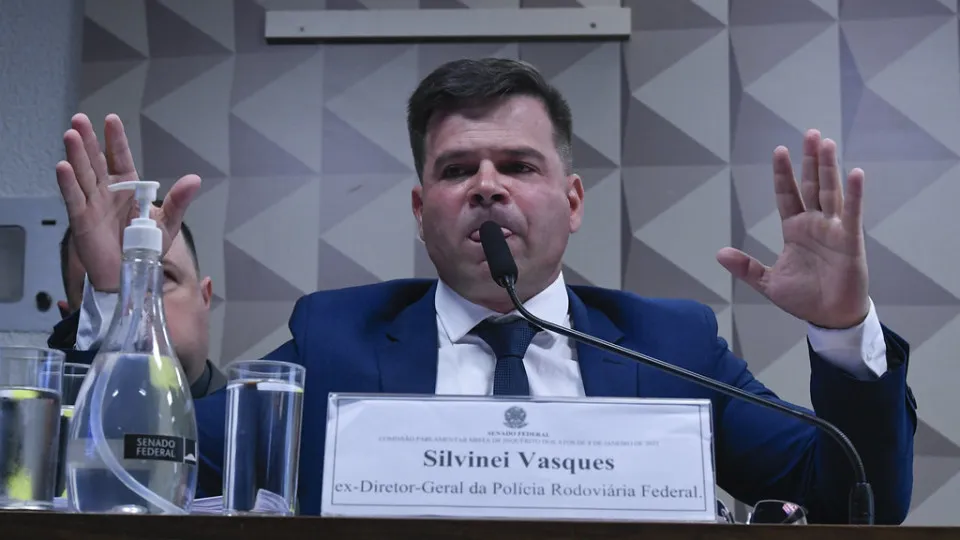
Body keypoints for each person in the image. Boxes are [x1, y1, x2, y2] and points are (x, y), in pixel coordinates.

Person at [56, 58, 916, 523]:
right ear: (421, 210)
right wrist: (119, 299)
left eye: (519, 166)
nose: (488, 186)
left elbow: (856, 500)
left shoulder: (669, 345)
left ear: (572, 202)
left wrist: (843, 332)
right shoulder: (338, 341)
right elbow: (138, 473)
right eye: (457, 168)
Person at [47, 208, 225, 398]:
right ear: (70, 320)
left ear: (205, 297)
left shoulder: (245, 412)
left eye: (160, 277)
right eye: (96, 292)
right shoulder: (42, 414)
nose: (133, 309)